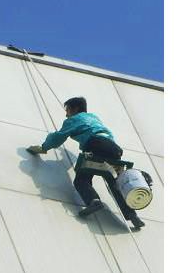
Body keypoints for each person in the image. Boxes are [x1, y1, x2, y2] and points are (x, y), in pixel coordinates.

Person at [27, 96, 145, 229]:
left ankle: (93, 201)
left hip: (95, 145)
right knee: (115, 184)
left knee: (81, 179)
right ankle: (132, 214)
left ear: (75, 108)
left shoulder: (74, 119)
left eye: (68, 110)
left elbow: (59, 137)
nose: (66, 115)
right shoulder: (94, 118)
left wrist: (44, 147)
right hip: (114, 150)